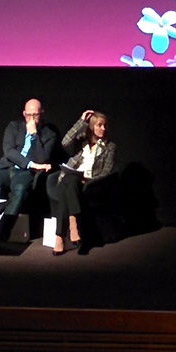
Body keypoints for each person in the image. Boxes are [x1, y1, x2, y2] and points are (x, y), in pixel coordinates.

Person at [0, 98, 59, 240]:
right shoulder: (14, 127)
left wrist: (34, 136)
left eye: (35, 115)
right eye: (28, 115)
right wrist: (31, 164)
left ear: (42, 114)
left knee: (19, 190)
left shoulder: (49, 134)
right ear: (24, 114)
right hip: (7, 167)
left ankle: (1, 235)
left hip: (25, 173)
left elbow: (42, 158)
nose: (32, 119)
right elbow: (9, 151)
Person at [47, 109, 116, 255]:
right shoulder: (81, 143)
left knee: (67, 185)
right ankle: (73, 224)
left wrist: (88, 180)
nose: (103, 129)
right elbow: (65, 142)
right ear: (91, 127)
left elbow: (106, 172)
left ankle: (59, 238)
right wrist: (82, 121)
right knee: (70, 180)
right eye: (99, 125)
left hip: (90, 184)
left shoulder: (109, 147)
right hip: (72, 179)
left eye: (105, 126)